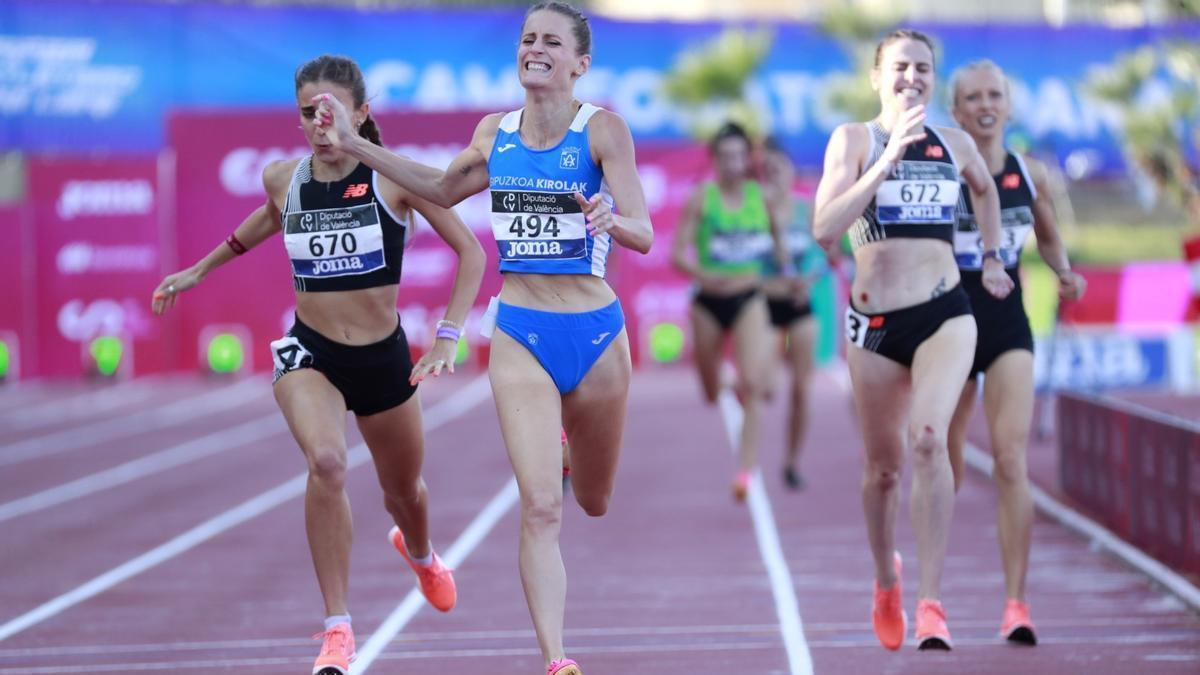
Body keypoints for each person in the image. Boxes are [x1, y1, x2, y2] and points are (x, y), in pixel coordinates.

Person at [310, 4, 652, 674]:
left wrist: (613, 218)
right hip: (520, 328)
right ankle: (556, 659)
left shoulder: (604, 130)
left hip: (597, 332)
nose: (536, 48)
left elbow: (641, 229)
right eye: (528, 38)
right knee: (541, 507)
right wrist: (354, 145)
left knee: (593, 498)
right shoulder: (496, 134)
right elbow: (440, 186)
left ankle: (565, 453)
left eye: (552, 41)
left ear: (580, 62)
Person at [151, 55, 485, 675]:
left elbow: (470, 252)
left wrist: (447, 336)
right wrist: (198, 270)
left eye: (330, 109)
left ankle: (420, 554)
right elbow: (266, 221)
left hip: (384, 359)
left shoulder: (396, 180)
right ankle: (338, 627)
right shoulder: (284, 177)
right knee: (327, 462)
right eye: (308, 111)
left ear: (360, 112)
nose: (318, 121)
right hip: (311, 352)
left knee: (404, 493)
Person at [812, 29, 1013, 651]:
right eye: (900, 68)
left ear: (933, 77)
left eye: (922, 68)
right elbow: (824, 228)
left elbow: (984, 189)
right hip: (874, 326)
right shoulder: (853, 139)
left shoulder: (955, 143)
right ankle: (885, 578)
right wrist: (886, 158)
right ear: (878, 78)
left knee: (930, 440)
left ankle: (931, 601)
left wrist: (992, 256)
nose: (912, 78)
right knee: (883, 471)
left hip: (944, 311)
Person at [946, 59, 1087, 646]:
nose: (985, 104)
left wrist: (1063, 271)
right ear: (955, 112)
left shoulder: (1029, 174)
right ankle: (930, 585)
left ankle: (1016, 603)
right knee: (940, 461)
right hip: (946, 321)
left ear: (1008, 106)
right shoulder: (941, 170)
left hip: (1008, 323)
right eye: (973, 96)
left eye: (994, 95)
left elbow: (1048, 236)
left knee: (1011, 460)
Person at [670, 122, 786, 502]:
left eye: (739, 156)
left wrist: (780, 276)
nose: (733, 163)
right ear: (715, 160)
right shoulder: (702, 198)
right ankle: (729, 385)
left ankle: (745, 470)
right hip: (708, 302)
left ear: (747, 159)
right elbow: (677, 254)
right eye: (726, 156)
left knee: (754, 385)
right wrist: (707, 275)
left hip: (749, 296)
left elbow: (780, 250)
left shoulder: (761, 196)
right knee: (708, 391)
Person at [760, 138, 825, 491]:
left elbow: (822, 254)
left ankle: (792, 461)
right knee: (765, 385)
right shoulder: (756, 211)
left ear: (790, 173)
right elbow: (747, 262)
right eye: (767, 171)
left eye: (779, 169)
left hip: (801, 305)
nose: (774, 176)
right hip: (766, 303)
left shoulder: (806, 209)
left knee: (801, 390)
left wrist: (807, 278)